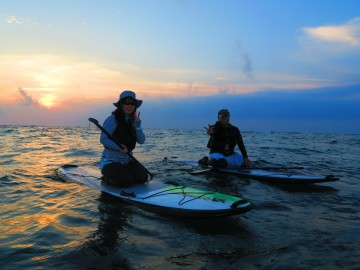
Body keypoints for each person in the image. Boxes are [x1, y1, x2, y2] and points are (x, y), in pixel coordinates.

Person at [99, 90, 148, 187]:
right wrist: (118, 147)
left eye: (132, 103)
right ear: (121, 105)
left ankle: (125, 173)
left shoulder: (133, 121)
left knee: (143, 178)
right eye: (126, 103)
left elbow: (141, 141)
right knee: (125, 181)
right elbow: (103, 139)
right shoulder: (112, 119)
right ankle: (106, 177)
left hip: (127, 160)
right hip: (110, 160)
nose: (130, 106)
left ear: (135, 106)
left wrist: (137, 125)